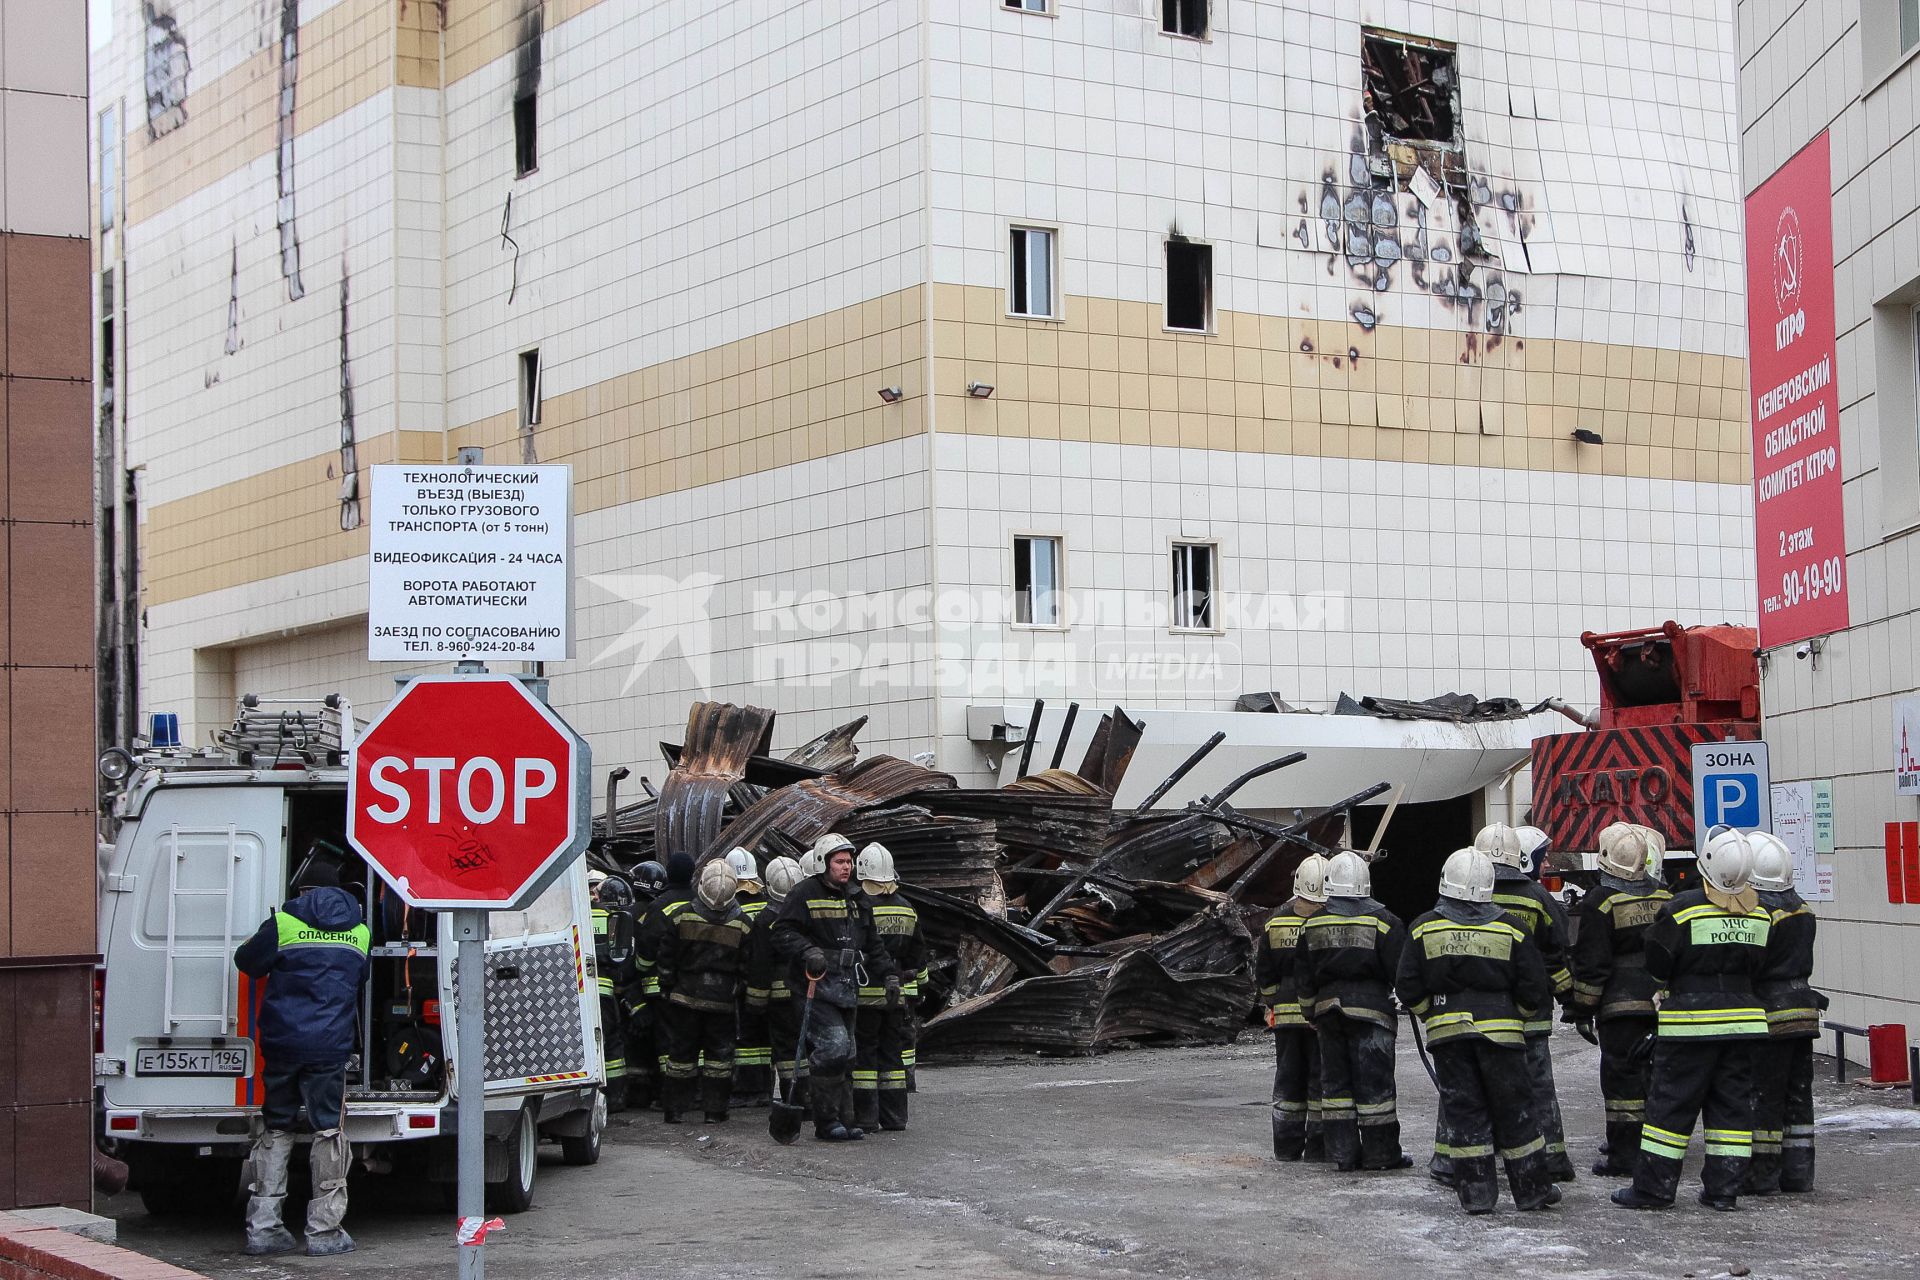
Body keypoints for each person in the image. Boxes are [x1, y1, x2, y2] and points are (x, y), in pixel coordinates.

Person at [1613, 828, 1773, 1212]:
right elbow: (1762, 969)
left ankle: (1653, 1190)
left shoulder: (1681, 908)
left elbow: (1658, 959)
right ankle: (1723, 1191)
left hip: (1690, 1025)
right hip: (1744, 1027)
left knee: (1670, 1108)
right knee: (1732, 1110)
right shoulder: (1762, 915)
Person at [1396, 848, 1560, 1214]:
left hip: (1449, 1039)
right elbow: (1534, 988)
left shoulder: (1423, 926)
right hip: (1502, 1038)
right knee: (1516, 1110)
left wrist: (1433, 1016)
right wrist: (1510, 1015)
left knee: (1464, 1113)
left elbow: (1407, 986)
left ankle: (1477, 1196)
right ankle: (1532, 1191)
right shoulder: (1512, 929)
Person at [232, 858, 370, 1257]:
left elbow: (248, 963)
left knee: (276, 1127)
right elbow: (359, 980)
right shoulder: (359, 933)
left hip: (282, 1043)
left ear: (303, 892)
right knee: (328, 1129)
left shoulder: (284, 925)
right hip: (329, 1047)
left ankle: (264, 1228)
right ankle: (324, 1232)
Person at [772, 833, 897, 1142]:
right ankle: (826, 1122)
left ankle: (845, 1118)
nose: (847, 867)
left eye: (849, 862)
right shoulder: (803, 893)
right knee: (832, 1048)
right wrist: (808, 951)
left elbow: (874, 943)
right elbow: (782, 932)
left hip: (845, 987)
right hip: (814, 987)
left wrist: (890, 976)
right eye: (840, 861)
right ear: (824, 863)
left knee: (848, 1053)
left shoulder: (857, 897)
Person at [1294, 849, 1409, 1172]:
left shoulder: (1313, 924)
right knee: (1376, 1090)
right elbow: (1400, 972)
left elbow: (1304, 977)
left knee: (1336, 1089)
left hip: (1328, 1014)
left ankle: (1343, 1154)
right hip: (1373, 1015)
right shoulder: (1386, 923)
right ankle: (1381, 1155)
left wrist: (1310, 1013)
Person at [1568, 823, 1671, 1175]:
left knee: (1622, 1083)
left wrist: (1580, 1008)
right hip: (1663, 1005)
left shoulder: (1601, 901)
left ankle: (1624, 1156)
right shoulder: (1665, 898)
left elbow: (1593, 964)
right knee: (1658, 1079)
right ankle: (1658, 1152)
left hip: (1620, 1009)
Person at [1478, 821, 1577, 1182]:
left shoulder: (1465, 896)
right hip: (1531, 1016)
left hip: (1479, 1016)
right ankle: (1552, 1159)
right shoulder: (1538, 898)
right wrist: (1572, 998)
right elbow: (1557, 953)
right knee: (1537, 1085)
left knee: (1473, 1087)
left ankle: (1462, 1161)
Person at [1746, 830, 1823, 1195]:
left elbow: (1754, 965)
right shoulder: (1802, 910)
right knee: (1798, 1095)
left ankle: (1761, 1176)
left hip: (1770, 1015)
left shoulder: (1762, 914)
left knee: (1765, 1096)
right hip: (1804, 1014)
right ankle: (1798, 1174)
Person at [657, 860, 753, 1123]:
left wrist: (667, 989)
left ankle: (674, 1109)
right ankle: (714, 1110)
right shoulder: (743, 924)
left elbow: (666, 958)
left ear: (701, 886)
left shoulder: (681, 916)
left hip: (684, 1000)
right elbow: (747, 966)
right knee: (719, 1060)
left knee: (680, 1056)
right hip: (722, 1003)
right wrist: (738, 990)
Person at [1255, 853, 1329, 1161]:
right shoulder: (1327, 923)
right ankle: (1317, 1148)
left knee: (1287, 1080)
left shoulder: (1274, 923)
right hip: (1320, 1017)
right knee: (1319, 1080)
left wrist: (1273, 1002)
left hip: (1284, 1018)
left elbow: (1265, 976)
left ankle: (1285, 1147)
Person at [852, 843, 926, 1132]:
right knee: (893, 1056)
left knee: (865, 1057)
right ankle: (895, 1117)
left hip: (866, 994)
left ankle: (866, 1118)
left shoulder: (861, 907)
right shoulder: (908, 909)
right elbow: (917, 957)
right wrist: (918, 990)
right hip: (898, 998)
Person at [637, 853, 698, 1089]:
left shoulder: (659, 906)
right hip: (695, 985)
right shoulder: (700, 902)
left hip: (661, 988)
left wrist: (641, 970)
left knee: (667, 1041)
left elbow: (646, 947)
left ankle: (670, 1092)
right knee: (696, 1039)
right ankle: (698, 1090)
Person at [749, 857, 807, 1104]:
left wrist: (756, 1001)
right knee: (807, 1046)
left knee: (786, 1051)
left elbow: (760, 964)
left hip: (779, 998)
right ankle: (811, 1098)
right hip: (807, 991)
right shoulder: (807, 913)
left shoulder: (765, 920)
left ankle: (793, 1099)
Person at [726, 848, 775, 1105]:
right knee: (766, 1040)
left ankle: (746, 1090)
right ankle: (765, 1089)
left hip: (744, 983)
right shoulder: (768, 906)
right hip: (771, 984)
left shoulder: (734, 912)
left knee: (745, 1038)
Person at [589, 872, 639, 1111]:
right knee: (611, 1045)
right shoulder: (615, 919)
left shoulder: (580, 916)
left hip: (576, 993)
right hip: (605, 992)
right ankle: (616, 1097)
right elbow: (624, 958)